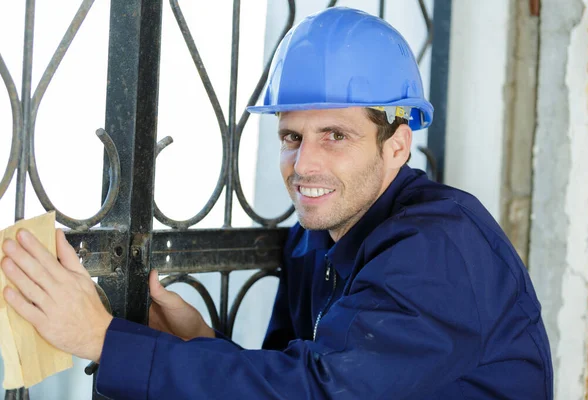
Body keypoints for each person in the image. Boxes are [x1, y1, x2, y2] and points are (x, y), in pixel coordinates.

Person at [1, 7, 553, 399]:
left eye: (335, 135)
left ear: (397, 147)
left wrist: (100, 338)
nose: (304, 164)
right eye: (292, 137)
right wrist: (199, 341)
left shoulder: (439, 247)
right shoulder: (315, 237)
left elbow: (314, 393)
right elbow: (289, 374)